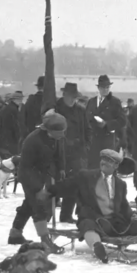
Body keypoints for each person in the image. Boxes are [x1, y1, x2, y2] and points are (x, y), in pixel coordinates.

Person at [41, 149, 137, 264]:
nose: (104, 162)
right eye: (103, 159)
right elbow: (66, 186)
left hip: (114, 222)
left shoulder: (120, 184)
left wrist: (133, 215)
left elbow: (123, 205)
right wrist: (49, 192)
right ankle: (97, 247)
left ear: (116, 165)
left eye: (109, 161)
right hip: (93, 218)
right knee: (87, 225)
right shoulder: (86, 176)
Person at [8, 113, 67, 253]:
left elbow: (60, 154)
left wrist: (62, 169)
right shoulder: (32, 140)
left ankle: (15, 234)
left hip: (42, 174)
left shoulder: (58, 138)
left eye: (63, 132)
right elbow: (26, 166)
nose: (62, 136)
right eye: (59, 133)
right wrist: (36, 188)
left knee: (29, 204)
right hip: (28, 175)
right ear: (48, 130)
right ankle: (46, 241)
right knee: (38, 205)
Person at [54, 82, 90, 224]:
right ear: (64, 95)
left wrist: (86, 145)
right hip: (58, 151)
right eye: (70, 96)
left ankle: (66, 215)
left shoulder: (81, 110)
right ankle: (46, 215)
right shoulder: (56, 109)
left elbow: (87, 129)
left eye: (74, 97)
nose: (72, 99)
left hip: (76, 152)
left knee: (75, 184)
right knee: (57, 183)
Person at [86, 74, 126, 167]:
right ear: (99, 88)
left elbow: (122, 120)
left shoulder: (115, 102)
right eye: (103, 87)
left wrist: (107, 124)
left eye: (107, 87)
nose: (106, 89)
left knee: (107, 168)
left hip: (108, 141)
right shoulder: (91, 102)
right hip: (93, 142)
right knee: (94, 168)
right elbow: (86, 119)